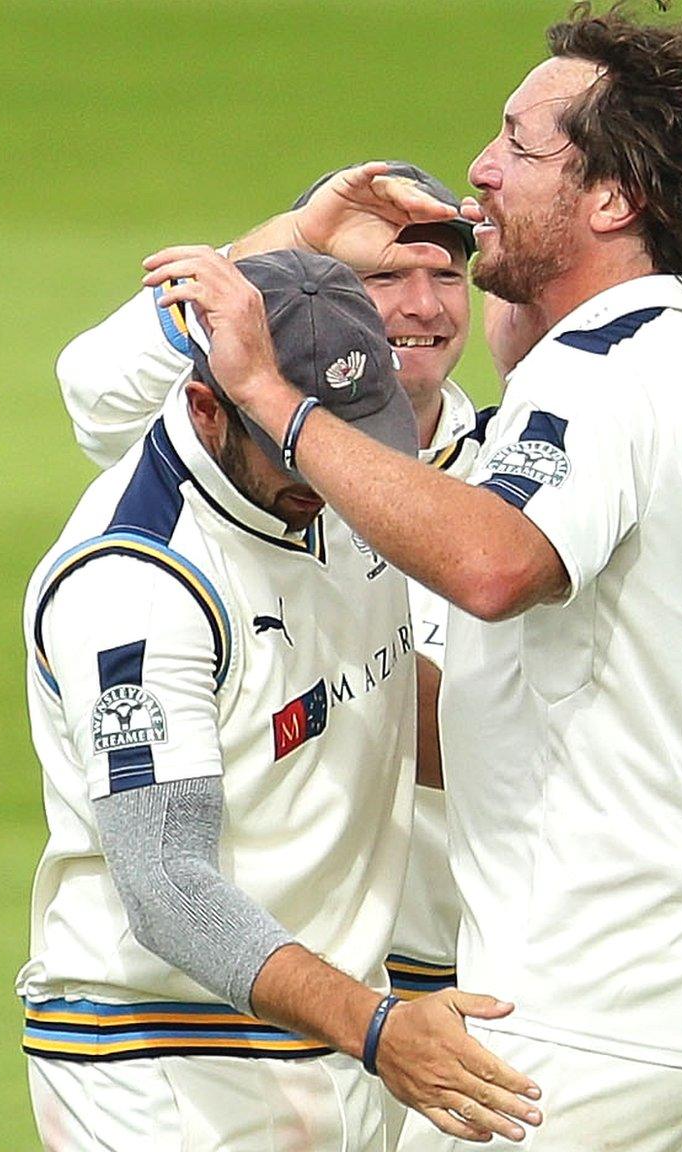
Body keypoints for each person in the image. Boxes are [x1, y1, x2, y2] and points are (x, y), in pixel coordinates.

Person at [150, 7, 682, 1148]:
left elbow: (490, 562)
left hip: (595, 1010)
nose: (479, 169)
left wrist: (270, 397)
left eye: (519, 144)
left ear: (611, 197)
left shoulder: (602, 375)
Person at [20, 249, 543, 1150]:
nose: (324, 471)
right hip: (169, 1064)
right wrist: (379, 1030)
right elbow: (166, 884)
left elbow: (375, 686)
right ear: (205, 407)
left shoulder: (319, 484)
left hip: (332, 1035)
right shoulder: (138, 588)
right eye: (288, 440)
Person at [56, 162, 486, 1011]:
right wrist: (287, 245)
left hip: (447, 975)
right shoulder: (201, 498)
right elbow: (96, 389)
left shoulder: (521, 467)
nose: (423, 306)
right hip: (248, 1004)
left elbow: (428, 708)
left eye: (446, 276)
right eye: (385, 279)